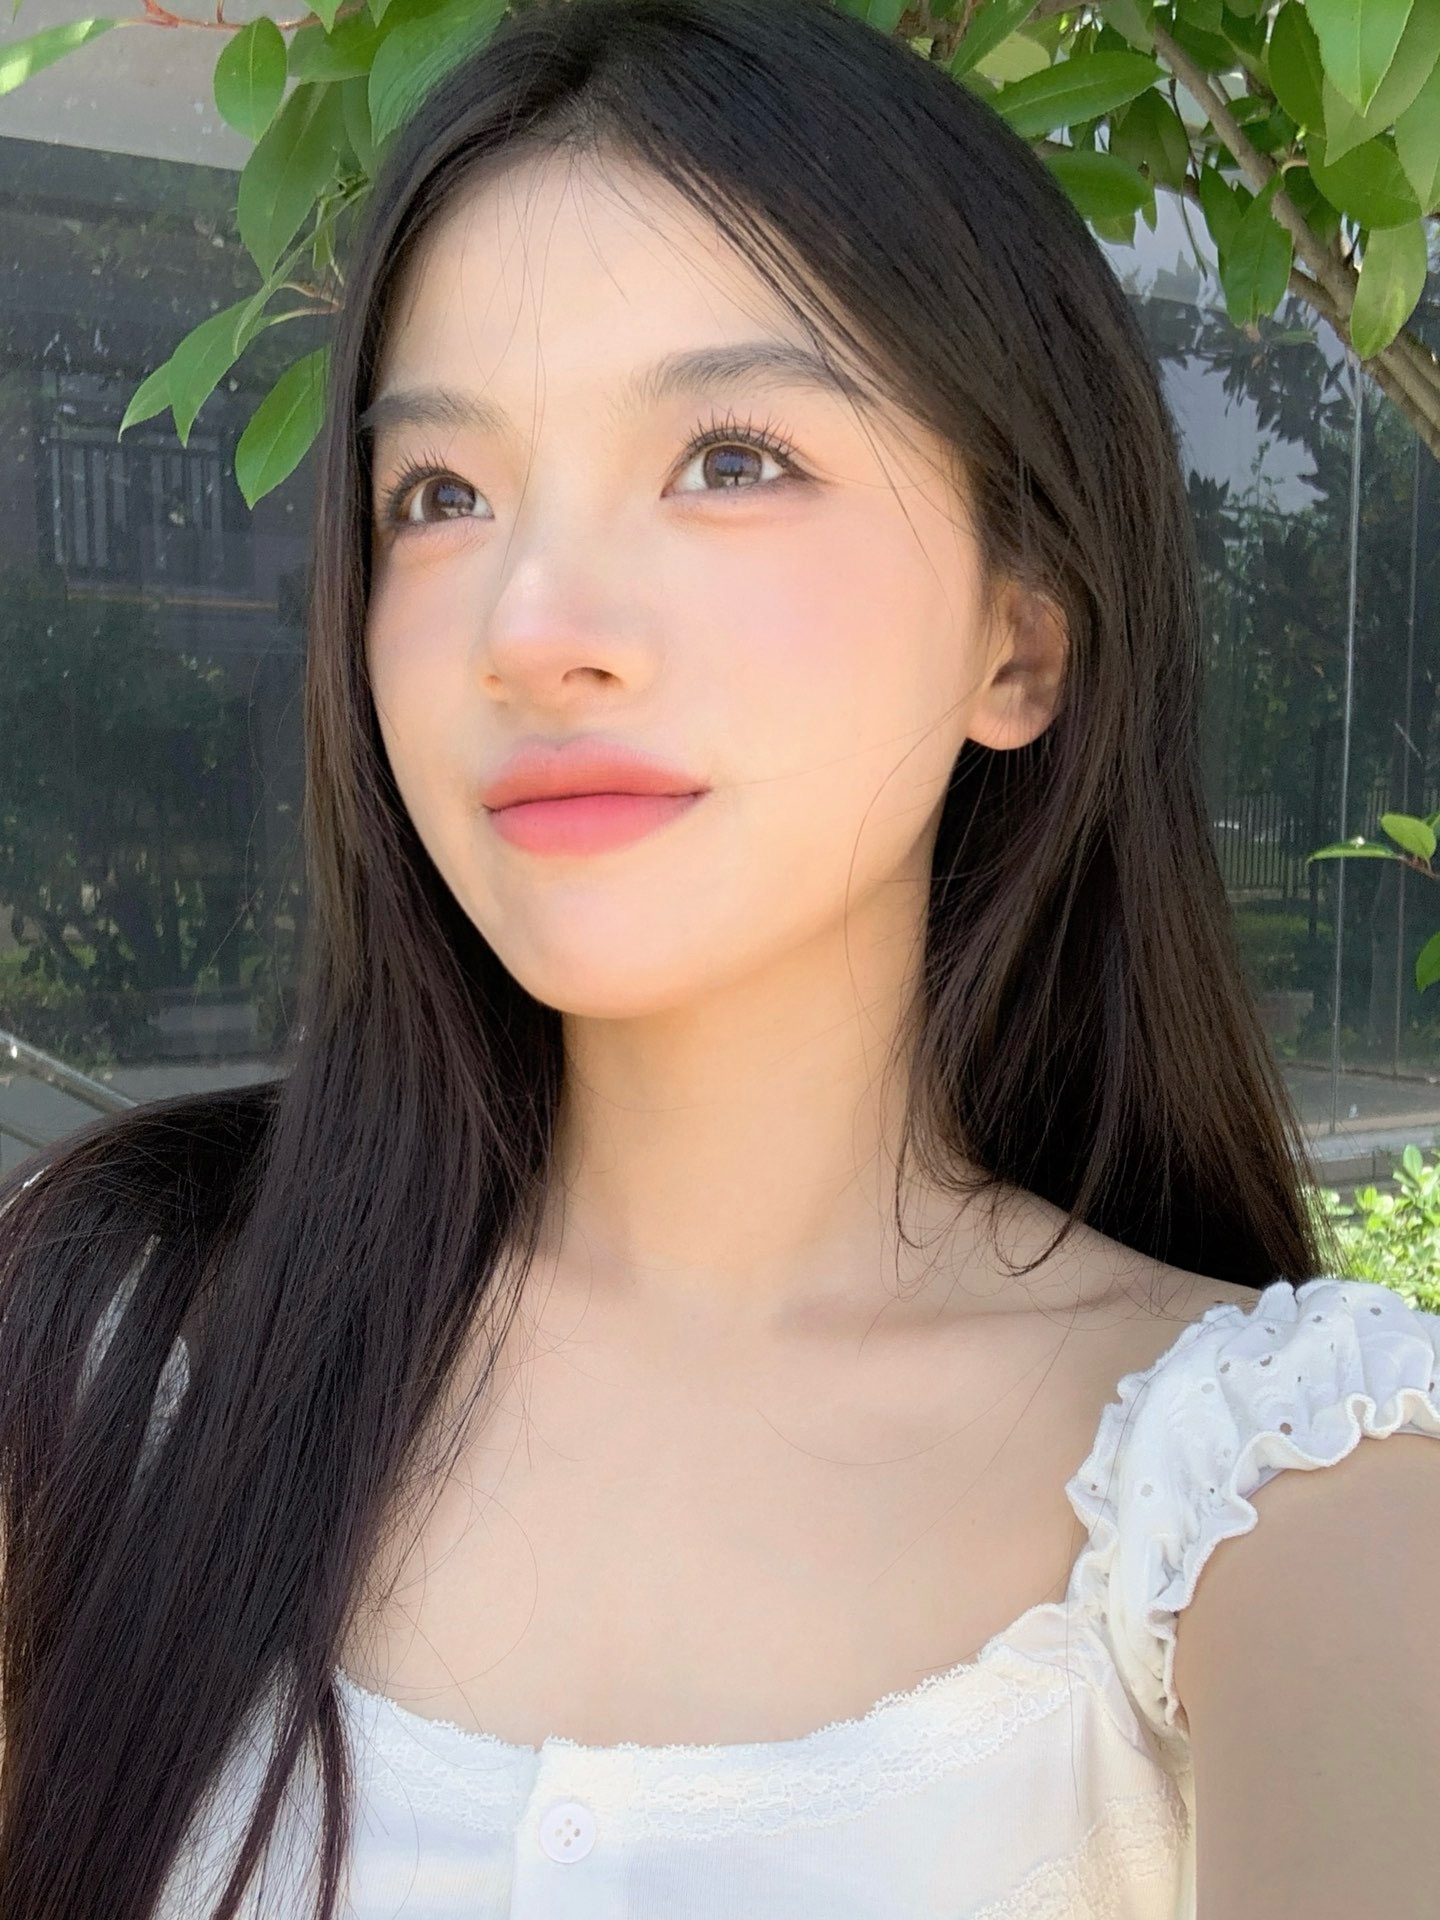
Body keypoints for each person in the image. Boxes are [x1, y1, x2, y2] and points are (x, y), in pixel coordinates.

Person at [1, 1, 1436, 1915]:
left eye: (732, 458)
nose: (533, 628)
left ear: (1022, 638)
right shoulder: (115, 1355)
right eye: (442, 497)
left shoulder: (1281, 1494)